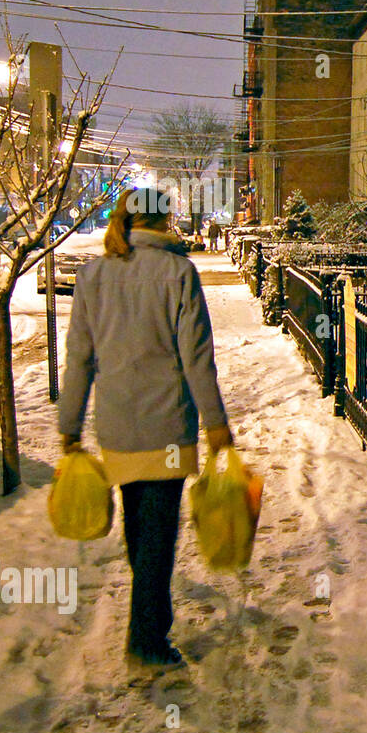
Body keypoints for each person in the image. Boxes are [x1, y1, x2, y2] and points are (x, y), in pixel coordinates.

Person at [58, 187, 232, 666]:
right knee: (157, 535)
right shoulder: (178, 273)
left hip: (116, 428)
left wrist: (69, 423)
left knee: (140, 530)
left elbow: (79, 357)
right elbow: (197, 359)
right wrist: (216, 424)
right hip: (168, 429)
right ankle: (147, 641)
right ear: (163, 220)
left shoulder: (94, 275)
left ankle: (148, 623)